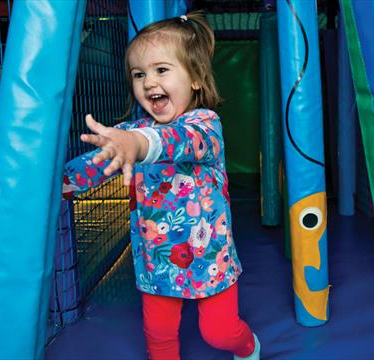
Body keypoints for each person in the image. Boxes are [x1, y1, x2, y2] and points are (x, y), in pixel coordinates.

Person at [62, 11, 260, 360]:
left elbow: (176, 141)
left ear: (196, 78)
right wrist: (59, 184)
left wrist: (137, 145)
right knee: (159, 338)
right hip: (157, 260)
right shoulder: (132, 130)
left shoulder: (204, 124)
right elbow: (103, 161)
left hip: (209, 257)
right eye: (139, 74)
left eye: (161, 70)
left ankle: (248, 347)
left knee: (219, 332)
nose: (149, 82)